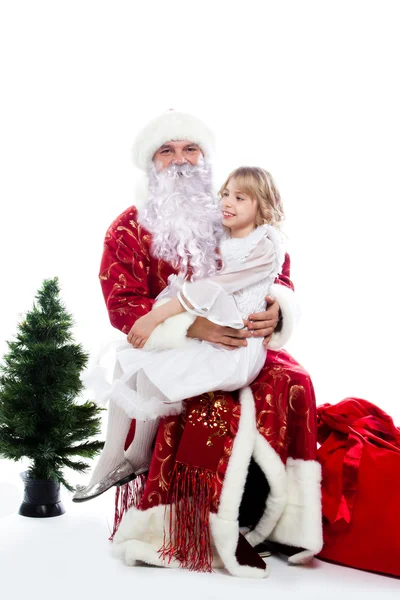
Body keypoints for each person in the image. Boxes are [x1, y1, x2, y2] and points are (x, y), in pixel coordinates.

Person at [75, 111, 323, 578]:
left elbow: (274, 266)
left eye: (191, 149)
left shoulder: (228, 209)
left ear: (206, 158)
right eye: (166, 151)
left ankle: (281, 521)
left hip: (242, 339)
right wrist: (192, 329)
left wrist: (277, 310)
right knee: (206, 404)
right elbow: (123, 303)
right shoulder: (127, 228)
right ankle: (182, 523)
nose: (181, 160)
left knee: (294, 379)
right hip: (175, 344)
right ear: (150, 164)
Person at [83, 166, 285, 451]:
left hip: (234, 349)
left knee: (149, 375)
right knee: (127, 361)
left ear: (262, 205)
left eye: (240, 198)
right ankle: (112, 455)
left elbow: (210, 288)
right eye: (225, 194)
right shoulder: (224, 234)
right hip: (212, 328)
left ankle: (138, 454)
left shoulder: (263, 247)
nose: (227, 202)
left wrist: (156, 316)